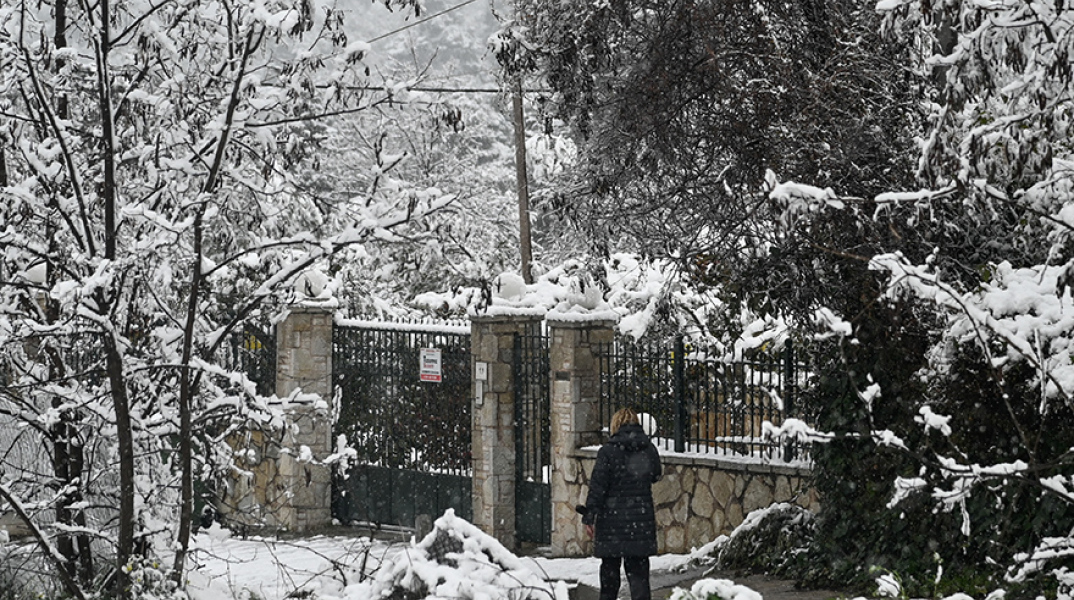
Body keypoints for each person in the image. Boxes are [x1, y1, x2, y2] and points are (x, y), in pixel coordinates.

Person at [579, 408, 662, 600]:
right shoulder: (648, 449)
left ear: (615, 425)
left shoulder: (607, 452)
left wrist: (589, 515)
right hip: (640, 522)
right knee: (639, 579)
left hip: (611, 523)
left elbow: (598, 487)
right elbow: (656, 475)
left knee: (609, 578)